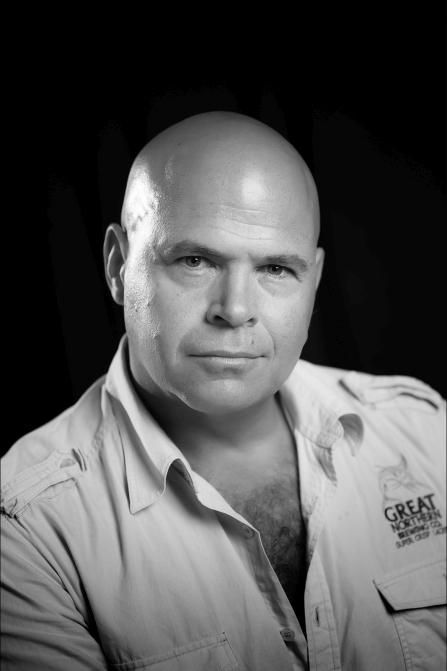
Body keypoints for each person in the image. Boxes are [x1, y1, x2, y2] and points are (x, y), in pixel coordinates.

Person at [1, 111, 445, 671]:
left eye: (276, 269)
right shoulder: (28, 530)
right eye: (195, 260)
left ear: (314, 280)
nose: (235, 310)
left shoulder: (423, 432)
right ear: (118, 266)